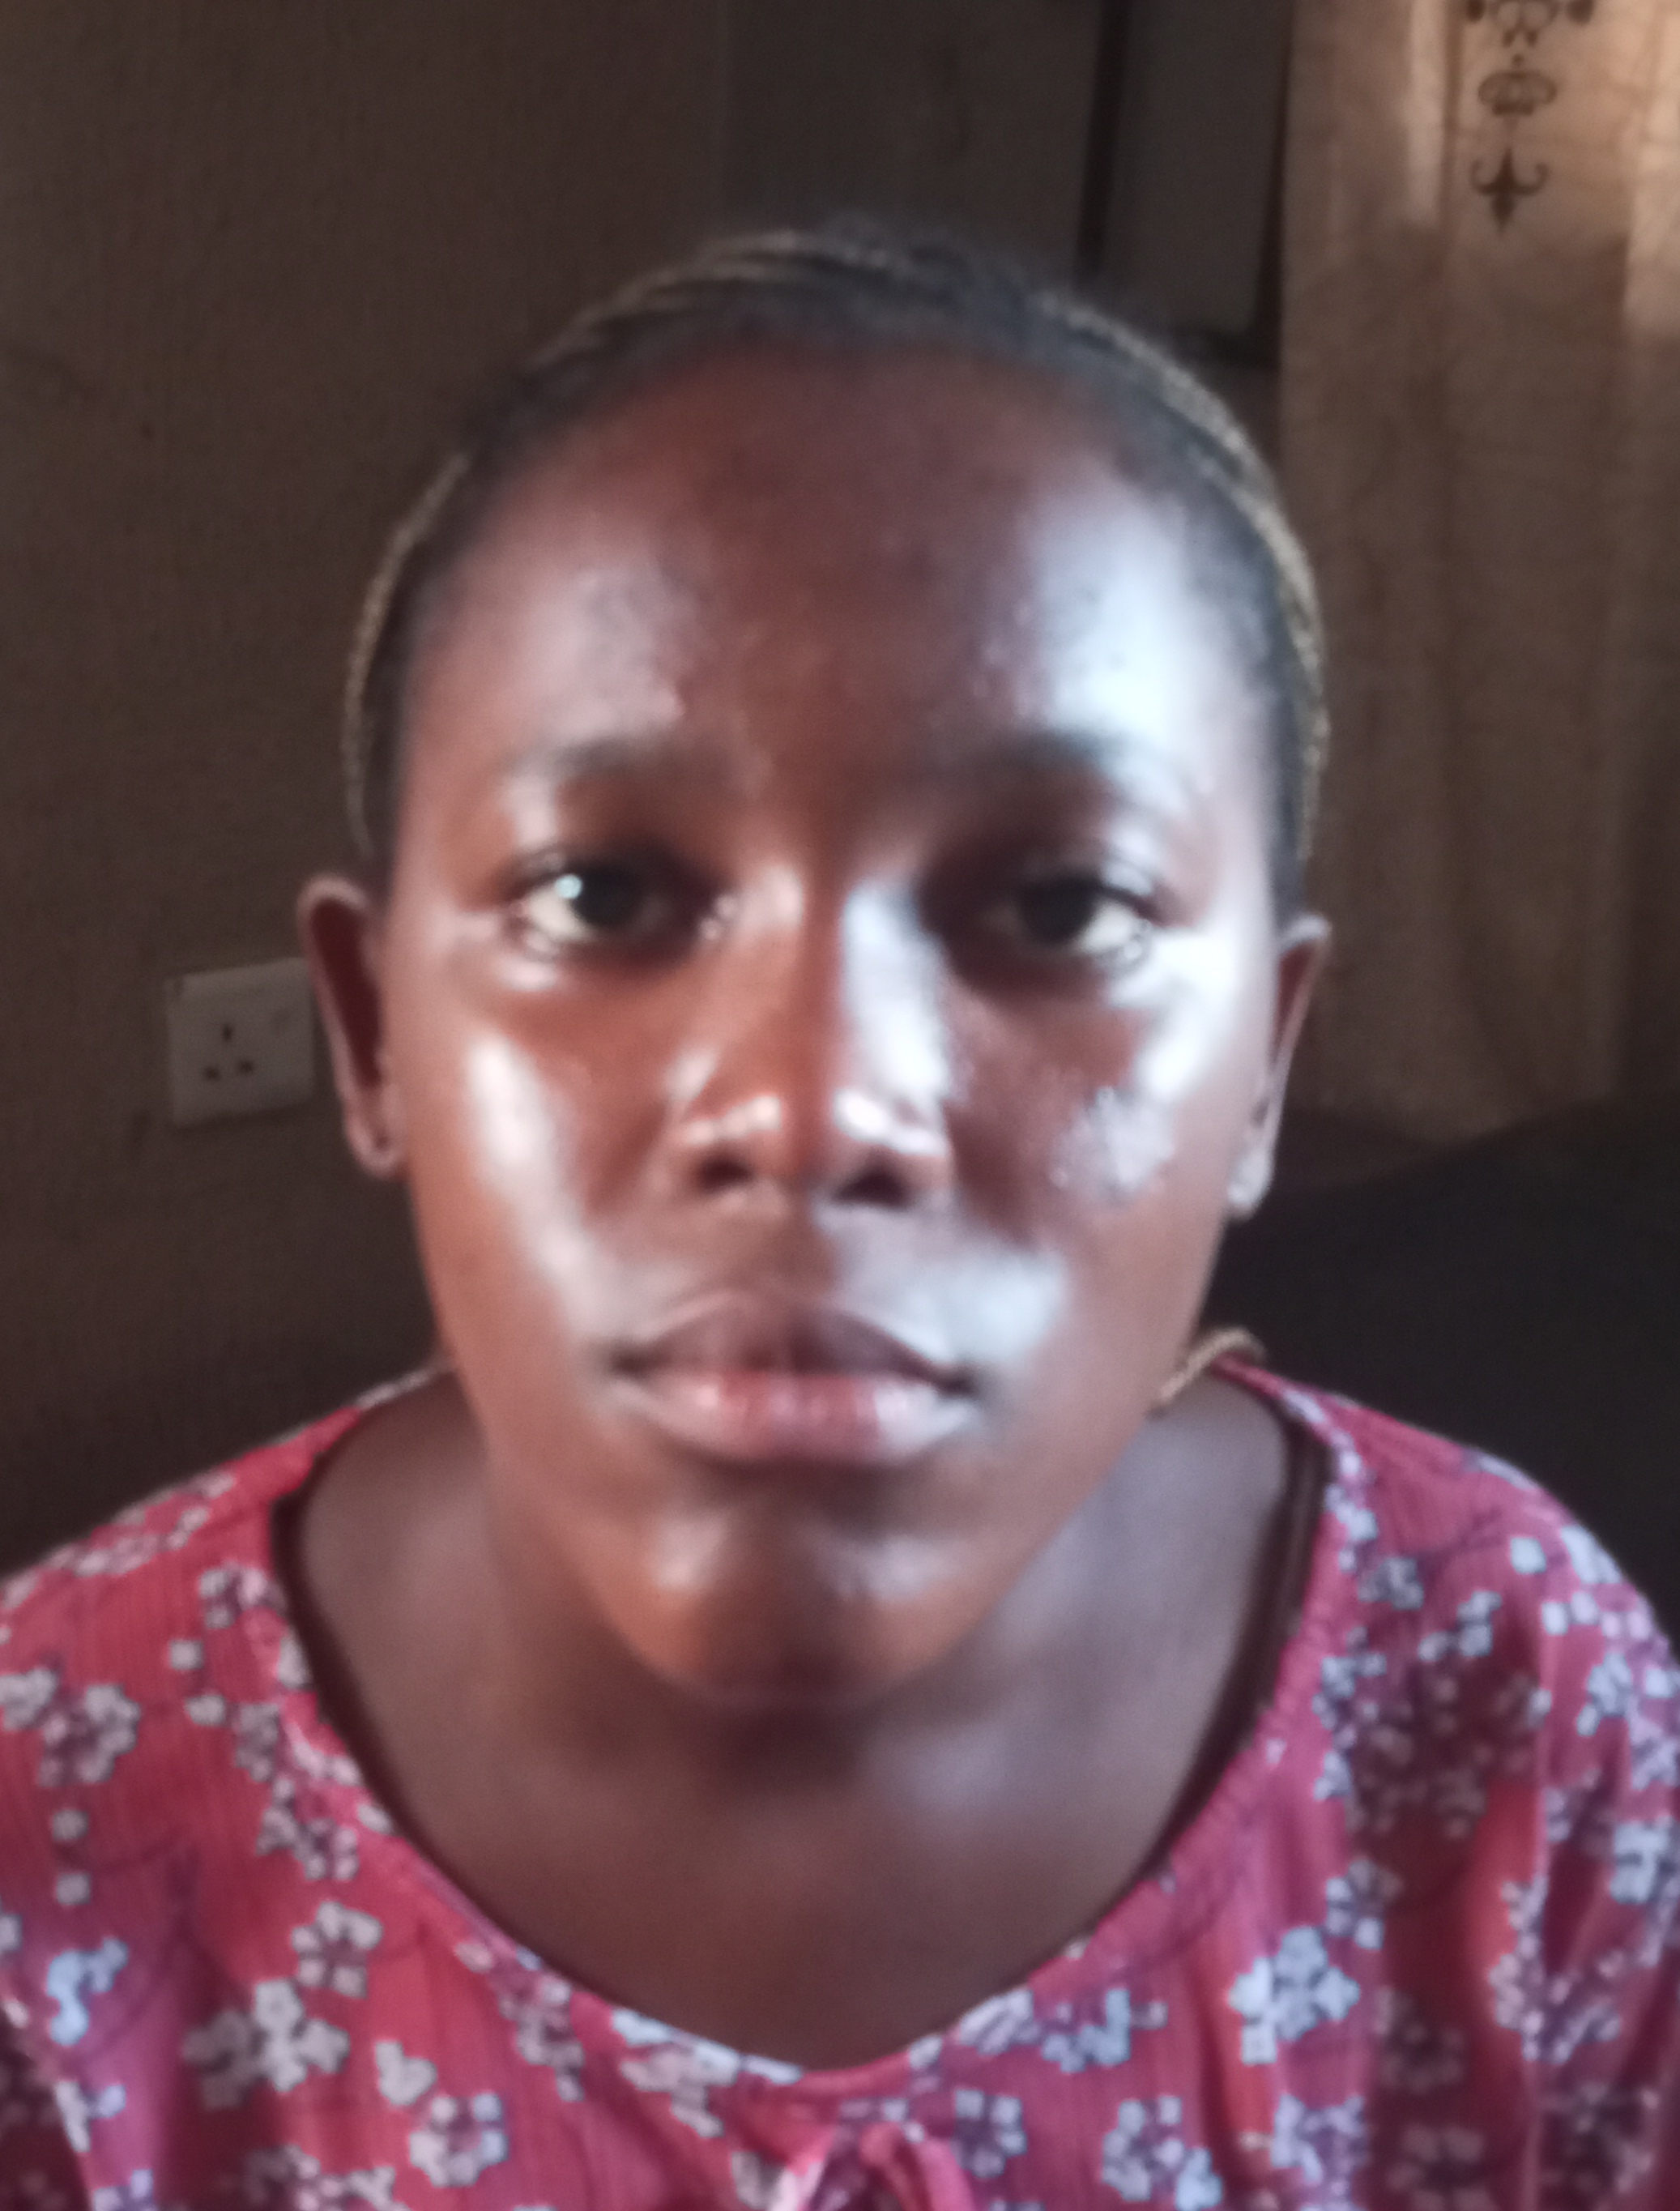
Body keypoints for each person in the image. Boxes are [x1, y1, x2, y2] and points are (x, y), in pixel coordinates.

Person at [0, 222, 1674, 2210]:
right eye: (604, 894)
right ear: (374, 1035)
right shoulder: (54, 1811)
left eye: (1057, 905)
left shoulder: (1501, 1703)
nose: (808, 1105)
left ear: (1261, 1068)